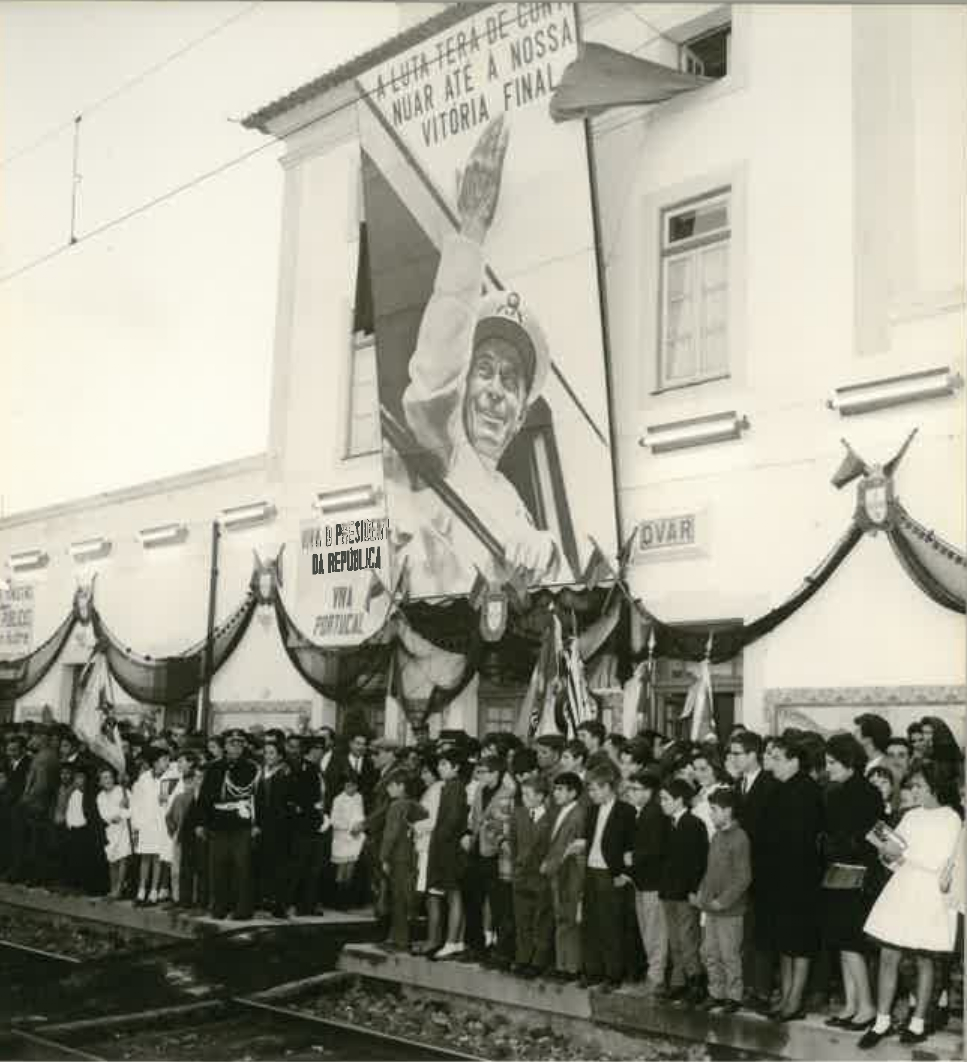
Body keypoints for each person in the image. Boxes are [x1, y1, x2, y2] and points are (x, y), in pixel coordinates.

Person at [390, 115, 565, 596]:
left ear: (520, 413)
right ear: (463, 387)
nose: (493, 390)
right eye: (483, 371)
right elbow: (437, 364)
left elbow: (545, 573)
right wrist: (471, 233)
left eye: (510, 381)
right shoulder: (445, 447)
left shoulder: (512, 502)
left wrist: (543, 546)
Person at [860, 762, 963, 1049]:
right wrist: (887, 854)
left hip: (929, 892)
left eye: (918, 786)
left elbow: (940, 860)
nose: (913, 791)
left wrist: (903, 853)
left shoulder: (950, 818)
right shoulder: (911, 816)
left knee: (924, 957)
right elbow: (896, 853)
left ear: (935, 787)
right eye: (911, 786)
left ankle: (918, 1022)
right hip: (903, 887)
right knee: (888, 953)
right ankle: (881, 1020)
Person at [758, 736, 825, 1021]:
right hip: (779, 878)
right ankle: (785, 996)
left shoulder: (807, 791)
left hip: (800, 879)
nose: (772, 765)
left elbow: (802, 840)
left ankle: (795, 1000)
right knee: (783, 943)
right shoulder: (780, 788)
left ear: (794, 761)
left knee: (799, 943)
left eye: (778, 759)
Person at [820, 733, 882, 1032]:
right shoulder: (841, 790)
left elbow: (868, 837)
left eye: (831, 762)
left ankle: (866, 1007)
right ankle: (851, 1005)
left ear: (848, 762)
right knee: (842, 942)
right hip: (839, 872)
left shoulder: (865, 792)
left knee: (851, 942)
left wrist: (835, 844)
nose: (827, 768)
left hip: (856, 874)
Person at [578, 765, 637, 990]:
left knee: (611, 924)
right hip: (591, 870)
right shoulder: (592, 811)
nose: (591, 795)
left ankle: (614, 974)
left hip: (610, 872)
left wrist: (624, 873)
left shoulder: (626, 811)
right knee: (590, 922)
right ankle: (592, 970)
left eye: (594, 790)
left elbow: (631, 846)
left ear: (608, 787)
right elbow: (590, 837)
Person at [695, 788, 751, 1014]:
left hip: (730, 910)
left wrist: (724, 901)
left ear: (728, 811)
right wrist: (702, 895)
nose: (711, 815)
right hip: (711, 908)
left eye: (715, 810)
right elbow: (710, 871)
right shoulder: (716, 836)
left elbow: (743, 876)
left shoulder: (740, 838)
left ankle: (734, 995)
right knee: (710, 951)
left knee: (730, 954)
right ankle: (716, 992)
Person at [197, 728, 258, 922]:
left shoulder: (252, 768)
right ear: (225, 746)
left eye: (240, 743)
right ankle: (219, 907)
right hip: (218, 824)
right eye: (232, 743)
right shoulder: (214, 768)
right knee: (218, 868)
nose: (236, 747)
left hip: (241, 824)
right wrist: (201, 823)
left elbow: (259, 798)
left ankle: (242, 909)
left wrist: (258, 824)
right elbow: (204, 798)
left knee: (243, 868)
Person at [658, 778, 709, 1003]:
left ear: (679, 800)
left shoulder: (693, 824)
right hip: (668, 891)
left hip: (685, 893)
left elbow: (697, 861)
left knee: (688, 939)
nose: (662, 803)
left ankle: (695, 981)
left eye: (665, 799)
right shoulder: (667, 823)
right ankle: (679, 981)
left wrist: (693, 889)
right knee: (674, 939)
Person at [624, 768, 670, 998]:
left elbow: (656, 848)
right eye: (629, 789)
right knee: (647, 929)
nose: (630, 793)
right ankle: (654, 975)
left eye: (635, 789)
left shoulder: (654, 814)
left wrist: (634, 856)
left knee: (654, 931)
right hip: (643, 881)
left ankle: (656, 978)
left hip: (653, 882)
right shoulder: (643, 812)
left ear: (649, 791)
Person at [540, 770, 586, 982]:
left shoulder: (578, 814)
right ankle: (562, 965)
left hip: (570, 873)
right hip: (558, 873)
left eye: (560, 789)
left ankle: (571, 967)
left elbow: (571, 848)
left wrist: (551, 863)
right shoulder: (560, 811)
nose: (555, 793)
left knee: (570, 921)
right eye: (555, 788)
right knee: (561, 919)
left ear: (573, 792)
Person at [425, 750, 469, 960]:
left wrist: (440, 841)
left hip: (449, 849)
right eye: (439, 764)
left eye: (444, 764)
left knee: (453, 894)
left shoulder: (454, 787)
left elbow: (451, 821)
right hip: (448, 847)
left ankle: (451, 941)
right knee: (454, 894)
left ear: (456, 767)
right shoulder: (452, 786)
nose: (440, 768)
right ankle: (457, 941)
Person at [509, 773, 553, 978]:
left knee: (541, 921)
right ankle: (522, 957)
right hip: (521, 876)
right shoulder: (518, 814)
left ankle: (539, 961)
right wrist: (516, 868)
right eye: (522, 794)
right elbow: (514, 844)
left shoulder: (551, 818)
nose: (524, 798)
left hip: (540, 877)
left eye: (528, 794)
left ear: (541, 796)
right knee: (522, 920)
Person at [379, 769, 428, 951]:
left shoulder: (396, 805)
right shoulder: (416, 805)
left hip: (398, 857)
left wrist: (383, 857)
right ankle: (398, 936)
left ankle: (400, 939)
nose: (388, 789)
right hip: (412, 856)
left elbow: (390, 835)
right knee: (407, 897)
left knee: (398, 898)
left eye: (391, 786)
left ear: (401, 787)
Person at [254, 739, 296, 918]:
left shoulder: (284, 773)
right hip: (263, 826)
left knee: (280, 865)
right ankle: (266, 899)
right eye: (266, 752)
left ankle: (280, 903)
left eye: (272, 753)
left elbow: (282, 803)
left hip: (279, 827)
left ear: (280, 756)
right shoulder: (261, 773)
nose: (267, 756)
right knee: (264, 864)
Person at [130, 745, 171, 905]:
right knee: (145, 857)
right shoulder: (144, 778)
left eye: (168, 760)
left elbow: (171, 800)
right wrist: (137, 824)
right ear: (155, 762)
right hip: (146, 823)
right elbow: (137, 801)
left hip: (161, 823)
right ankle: (141, 891)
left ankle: (154, 891)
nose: (167, 763)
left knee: (158, 858)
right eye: (163, 760)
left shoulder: (170, 778)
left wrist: (165, 800)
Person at [413, 755, 443, 954]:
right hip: (426, 846)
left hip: (429, 847)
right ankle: (433, 938)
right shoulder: (435, 789)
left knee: (432, 895)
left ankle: (433, 940)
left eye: (425, 772)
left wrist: (414, 824)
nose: (422, 776)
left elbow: (432, 821)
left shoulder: (436, 790)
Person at [96, 766, 131, 899]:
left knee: (123, 857)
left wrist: (122, 811)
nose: (108, 780)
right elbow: (104, 814)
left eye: (110, 777)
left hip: (124, 828)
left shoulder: (122, 791)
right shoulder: (100, 796)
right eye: (104, 778)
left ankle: (119, 889)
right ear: (100, 782)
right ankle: (113, 887)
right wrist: (118, 811)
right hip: (111, 830)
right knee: (112, 859)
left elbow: (130, 809)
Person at [330, 773, 365, 906]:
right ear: (344, 786)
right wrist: (349, 828)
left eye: (354, 786)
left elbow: (361, 815)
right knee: (341, 870)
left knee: (351, 869)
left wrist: (359, 826)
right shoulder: (338, 799)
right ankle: (338, 900)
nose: (352, 789)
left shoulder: (359, 797)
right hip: (342, 838)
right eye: (348, 786)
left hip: (355, 838)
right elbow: (334, 821)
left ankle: (347, 900)